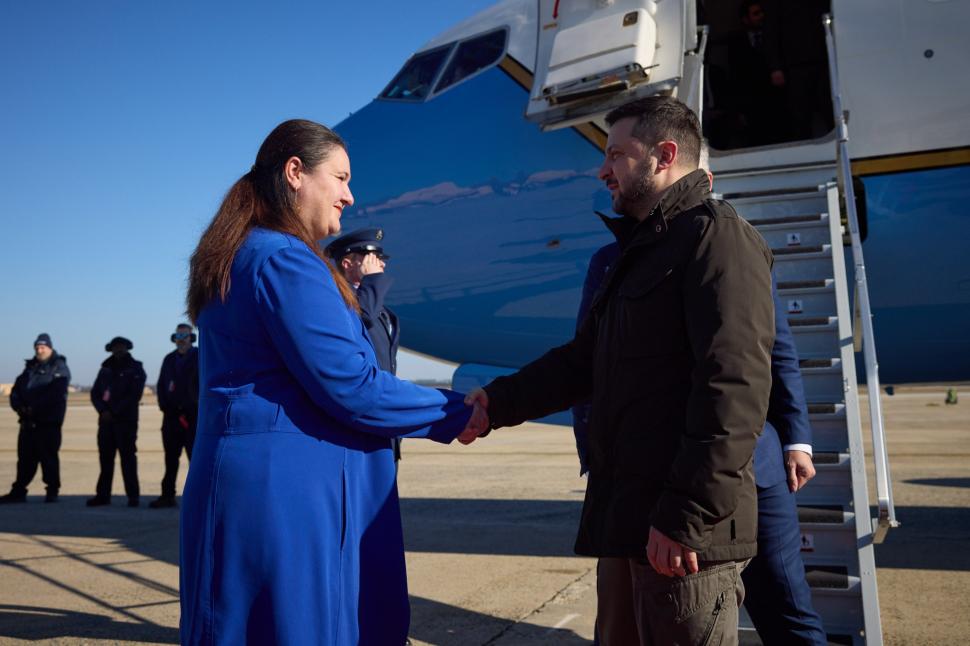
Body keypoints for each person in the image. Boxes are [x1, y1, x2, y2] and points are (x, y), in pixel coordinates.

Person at [467, 96, 775, 645]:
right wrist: (497, 403)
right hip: (640, 522)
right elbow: (585, 361)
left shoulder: (715, 239)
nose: (603, 169)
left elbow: (734, 389)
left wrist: (686, 515)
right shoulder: (646, 248)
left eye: (616, 154)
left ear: (664, 155)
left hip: (683, 539)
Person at [180, 119, 486, 645]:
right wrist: (461, 411)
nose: (350, 195)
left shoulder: (243, 252)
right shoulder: (286, 260)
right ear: (295, 173)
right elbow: (354, 386)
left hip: (258, 484)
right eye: (340, 178)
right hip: (287, 497)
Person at [573, 146, 827, 644]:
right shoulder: (609, 262)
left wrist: (798, 438)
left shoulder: (735, 245)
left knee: (785, 604)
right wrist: (597, 455)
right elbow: (587, 364)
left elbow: (772, 354)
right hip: (653, 475)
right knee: (632, 619)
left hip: (757, 469)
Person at [326, 228, 403, 460]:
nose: (380, 265)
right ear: (348, 263)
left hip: (385, 426)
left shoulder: (379, 307)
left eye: (381, 259)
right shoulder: (337, 298)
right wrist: (373, 280)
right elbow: (362, 317)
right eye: (373, 258)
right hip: (359, 428)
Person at [1, 334, 71, 504]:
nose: (40, 350)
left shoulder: (58, 367)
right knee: (25, 459)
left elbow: (55, 394)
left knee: (48, 458)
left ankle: (52, 491)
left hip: (48, 422)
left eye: (43, 347)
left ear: (50, 348)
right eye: (37, 348)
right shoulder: (29, 368)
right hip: (27, 422)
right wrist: (20, 407)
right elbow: (16, 390)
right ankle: (19, 491)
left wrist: (35, 408)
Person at [87, 336, 146, 508]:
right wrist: (103, 411)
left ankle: (133, 496)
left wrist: (114, 411)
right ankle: (103, 495)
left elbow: (134, 395)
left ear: (127, 348)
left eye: (121, 347)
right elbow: (95, 393)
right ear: (111, 349)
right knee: (105, 460)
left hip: (126, 421)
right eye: (115, 347)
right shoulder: (105, 368)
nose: (118, 349)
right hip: (105, 423)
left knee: (128, 459)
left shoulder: (136, 368)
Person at [150, 323, 199, 509]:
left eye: (184, 336)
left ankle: (197, 498)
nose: (181, 340)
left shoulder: (199, 357)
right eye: (178, 336)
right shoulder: (169, 359)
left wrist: (192, 407)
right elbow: (162, 385)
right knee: (170, 459)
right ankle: (167, 495)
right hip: (171, 418)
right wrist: (166, 407)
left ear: (191, 338)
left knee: (195, 459)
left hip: (192, 418)